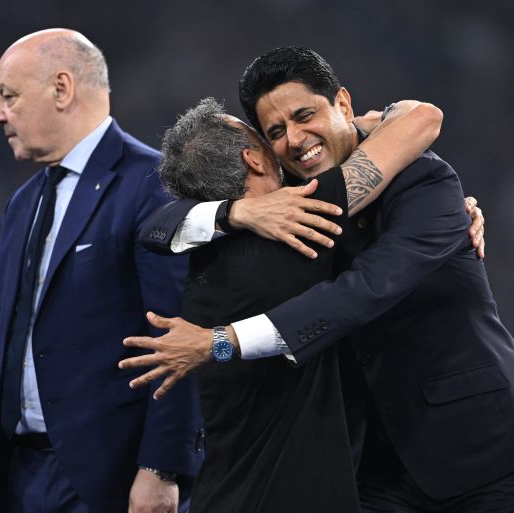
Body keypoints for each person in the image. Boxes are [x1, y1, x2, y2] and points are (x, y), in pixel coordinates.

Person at [121, 46, 514, 513]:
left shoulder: (424, 182)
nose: (294, 138)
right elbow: (157, 227)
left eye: (305, 115)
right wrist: (237, 211)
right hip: (371, 469)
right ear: (263, 152)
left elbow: (364, 291)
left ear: (343, 104)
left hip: (478, 449)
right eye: (276, 132)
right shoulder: (284, 207)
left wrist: (220, 341)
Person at [0, 29, 202, 513]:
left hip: (110, 481)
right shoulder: (22, 205)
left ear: (62, 89)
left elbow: (180, 339)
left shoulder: (152, 187)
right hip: (19, 477)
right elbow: (7, 339)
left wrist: (162, 469)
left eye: (8, 96)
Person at [149, 96, 442, 513]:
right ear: (253, 159)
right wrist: (437, 211)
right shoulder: (303, 224)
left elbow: (154, 227)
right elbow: (421, 119)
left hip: (222, 494)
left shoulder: (205, 254)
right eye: (266, 138)